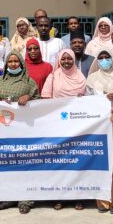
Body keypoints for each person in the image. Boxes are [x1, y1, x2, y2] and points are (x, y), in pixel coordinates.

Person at [0, 52, 41, 214]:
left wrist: (28, 97)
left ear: (21, 63)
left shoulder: (29, 82)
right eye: (9, 62)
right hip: (4, 130)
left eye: (15, 61)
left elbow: (40, 104)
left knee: (25, 163)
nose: (12, 64)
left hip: (24, 131)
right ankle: (8, 197)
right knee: (7, 163)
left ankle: (26, 199)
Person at [41, 49, 87, 211]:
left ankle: (78, 197)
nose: (67, 61)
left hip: (76, 126)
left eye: (69, 58)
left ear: (74, 60)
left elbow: (88, 99)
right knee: (60, 162)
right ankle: (59, 197)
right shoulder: (53, 77)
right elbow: (46, 99)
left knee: (76, 161)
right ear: (59, 60)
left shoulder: (81, 77)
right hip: (57, 126)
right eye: (63, 59)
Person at [86, 50, 113, 214]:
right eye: (101, 58)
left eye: (107, 58)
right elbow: (88, 99)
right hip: (100, 124)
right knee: (102, 160)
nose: (104, 61)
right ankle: (103, 200)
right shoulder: (92, 79)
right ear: (97, 61)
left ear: (112, 59)